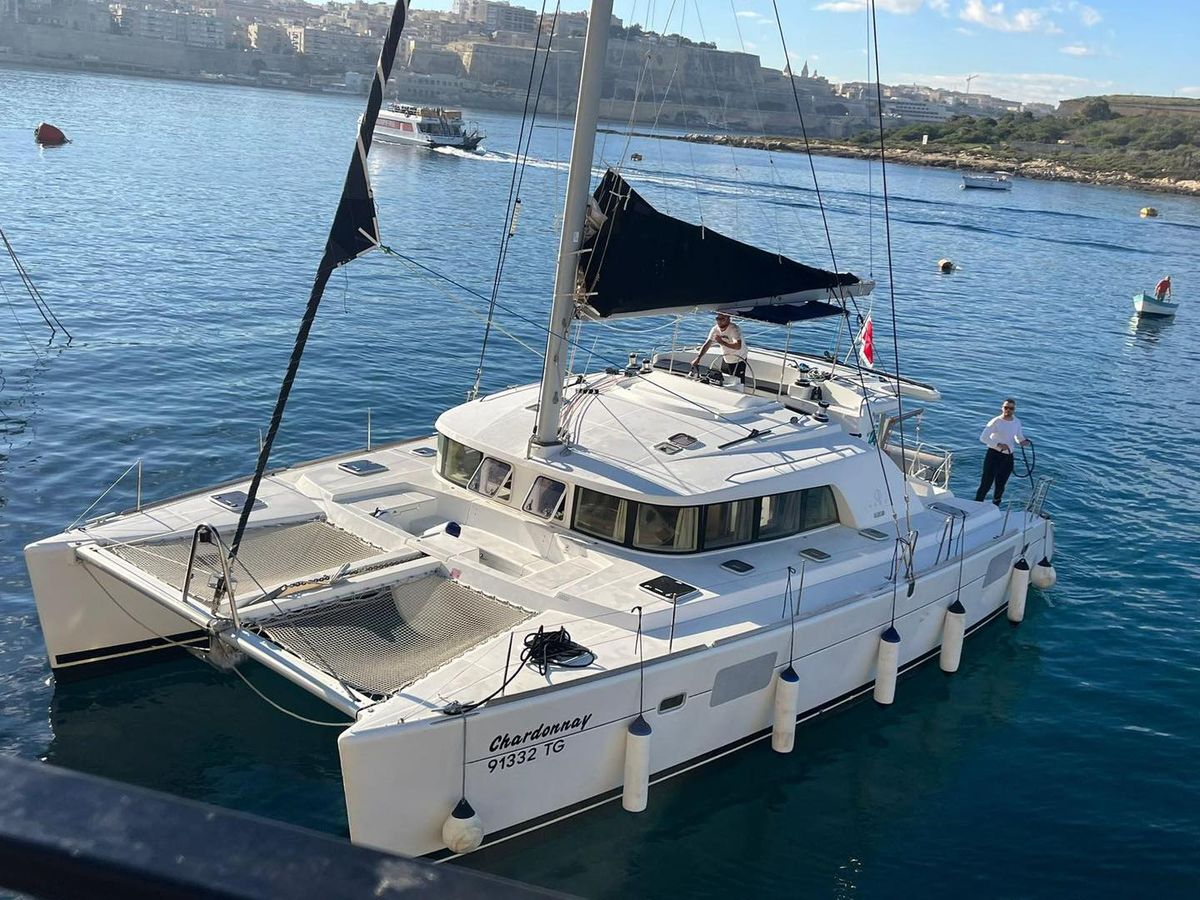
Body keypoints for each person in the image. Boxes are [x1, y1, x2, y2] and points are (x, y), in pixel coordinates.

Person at [975, 398, 1031, 505]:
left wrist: (1023, 442)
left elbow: (1018, 437)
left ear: (1014, 410)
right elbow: (983, 438)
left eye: (1011, 408)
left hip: (1008, 457)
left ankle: (995, 506)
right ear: (1002, 408)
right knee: (986, 484)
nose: (1008, 410)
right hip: (993, 455)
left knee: (1001, 485)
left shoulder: (1017, 422)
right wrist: (998, 445)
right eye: (1006, 407)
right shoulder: (996, 421)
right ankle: (976, 505)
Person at [692, 312, 748, 381]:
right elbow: (707, 344)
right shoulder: (715, 329)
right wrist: (698, 358)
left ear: (728, 319)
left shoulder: (734, 329)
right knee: (723, 379)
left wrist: (721, 342)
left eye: (722, 319)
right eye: (717, 319)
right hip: (726, 357)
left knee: (738, 382)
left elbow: (738, 346)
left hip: (739, 359)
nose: (719, 321)